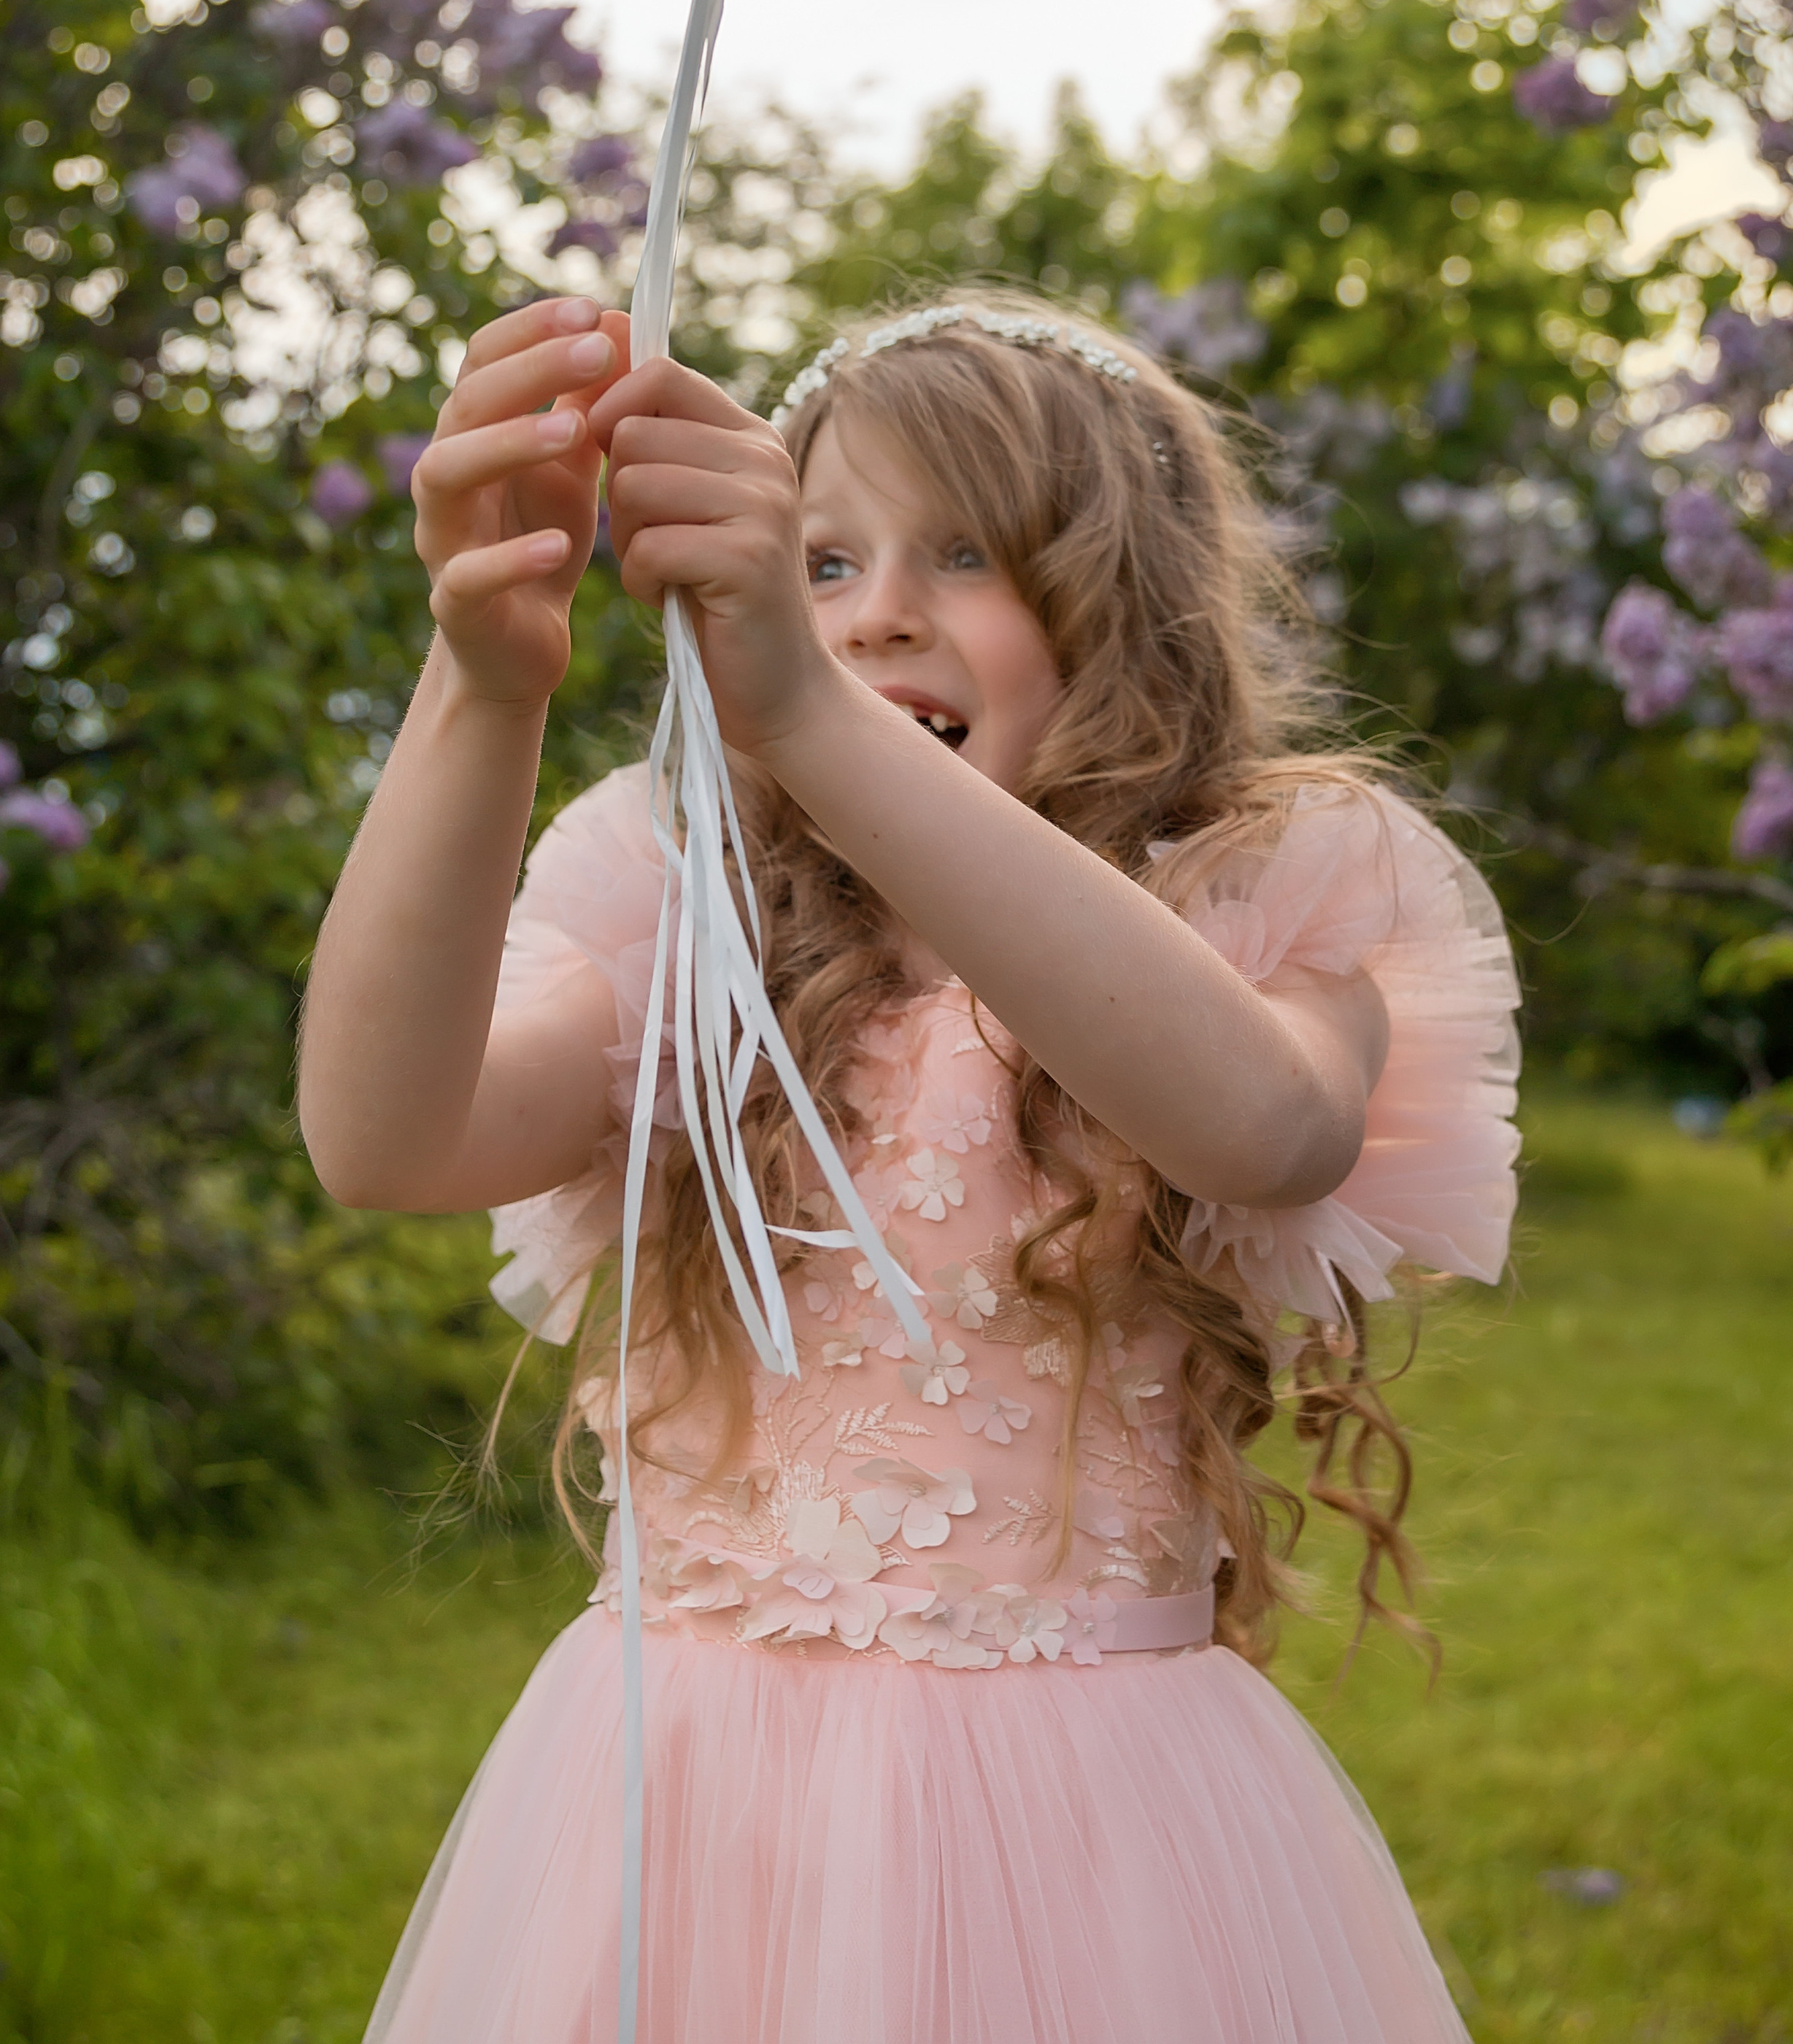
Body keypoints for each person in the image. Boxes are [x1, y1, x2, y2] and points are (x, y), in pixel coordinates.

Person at [300, 288, 1521, 2044]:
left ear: (1125, 612)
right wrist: (479, 678)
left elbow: (1263, 1127)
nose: (874, 616)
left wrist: (805, 715)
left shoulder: (1251, 904)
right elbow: (380, 1133)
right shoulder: (696, 929)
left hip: (1082, 1835)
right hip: (683, 1801)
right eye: (816, 562)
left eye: (960, 554)